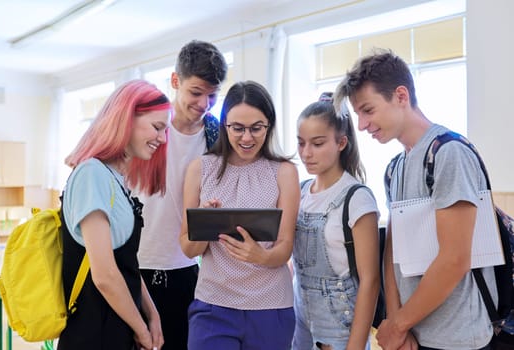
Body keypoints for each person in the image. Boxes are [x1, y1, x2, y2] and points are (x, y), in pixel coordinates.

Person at [336, 49, 497, 350]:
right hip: (413, 335)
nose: (361, 125)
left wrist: (397, 325)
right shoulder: (395, 168)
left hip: (459, 338)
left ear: (401, 95)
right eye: (358, 114)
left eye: (368, 110)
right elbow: (394, 253)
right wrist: (398, 323)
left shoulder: (449, 153)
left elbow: (454, 259)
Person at [179, 80, 300, 350]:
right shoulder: (200, 169)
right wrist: (205, 225)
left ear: (269, 125)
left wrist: (263, 256)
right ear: (224, 126)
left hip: (271, 307)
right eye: (238, 128)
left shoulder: (284, 172)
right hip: (213, 306)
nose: (247, 138)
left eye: (256, 128)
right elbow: (188, 248)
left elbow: (286, 245)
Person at [58, 79, 170, 350]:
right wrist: (141, 329)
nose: (162, 138)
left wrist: (152, 313)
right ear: (127, 118)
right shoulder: (91, 174)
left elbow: (123, 263)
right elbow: (105, 275)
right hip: (93, 335)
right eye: (157, 127)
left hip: (116, 330)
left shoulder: (116, 179)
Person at [135, 40, 227, 350]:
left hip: (186, 268)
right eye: (196, 93)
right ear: (175, 81)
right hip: (136, 265)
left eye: (212, 95)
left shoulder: (215, 135)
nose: (204, 104)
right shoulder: (147, 126)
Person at [292, 95, 380, 350]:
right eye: (301, 143)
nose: (306, 153)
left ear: (341, 142)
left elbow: (370, 281)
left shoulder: (357, 198)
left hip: (339, 327)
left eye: (317, 144)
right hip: (300, 321)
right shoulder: (300, 192)